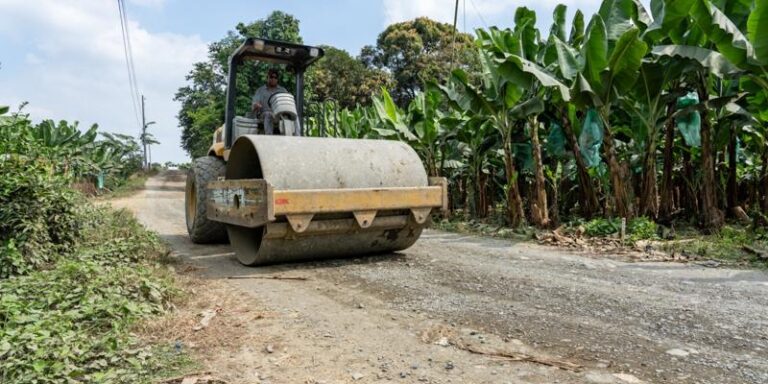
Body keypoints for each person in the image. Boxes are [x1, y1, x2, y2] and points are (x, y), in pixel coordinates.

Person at [252, 68, 287, 134]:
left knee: (294, 115)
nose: (273, 79)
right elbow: (254, 105)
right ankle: (269, 137)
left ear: (277, 79)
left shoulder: (283, 90)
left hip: (279, 115)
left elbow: (287, 101)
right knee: (268, 114)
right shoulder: (260, 91)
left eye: (275, 77)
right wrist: (256, 105)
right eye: (271, 77)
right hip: (264, 115)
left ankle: (297, 138)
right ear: (267, 77)